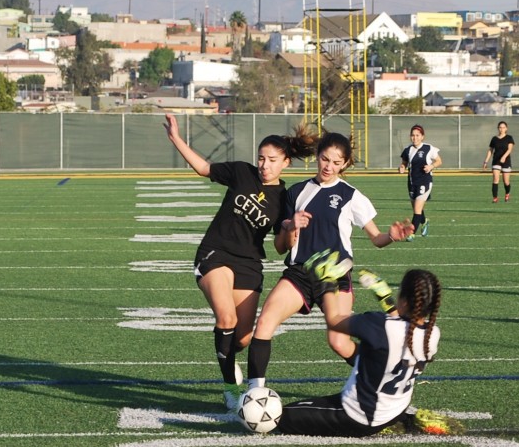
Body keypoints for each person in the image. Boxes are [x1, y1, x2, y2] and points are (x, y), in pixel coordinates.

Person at [246, 127, 415, 390]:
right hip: (299, 272)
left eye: (337, 162)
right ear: (317, 156)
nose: (329, 166)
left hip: (334, 275)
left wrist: (391, 235)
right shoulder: (296, 192)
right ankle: (255, 393)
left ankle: (384, 377)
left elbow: (376, 239)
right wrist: (291, 227)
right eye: (325, 159)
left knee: (339, 343)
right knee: (264, 323)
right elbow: (281, 246)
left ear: (345, 163)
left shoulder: (351, 195)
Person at [163, 112, 298, 409]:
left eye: (272, 160)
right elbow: (203, 168)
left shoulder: (285, 199)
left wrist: (290, 230)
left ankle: (229, 358)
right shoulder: (241, 172)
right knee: (226, 319)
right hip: (216, 253)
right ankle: (229, 387)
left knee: (243, 338)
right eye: (262, 158)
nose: (265, 165)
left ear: (285, 162)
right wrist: (176, 138)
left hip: (249, 263)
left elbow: (279, 247)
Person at [275, 266, 461, 437]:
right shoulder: (433, 333)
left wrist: (327, 284)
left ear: (403, 299)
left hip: (358, 417)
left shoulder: (380, 325)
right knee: (369, 356)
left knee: (277, 417)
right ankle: (404, 420)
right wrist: (385, 299)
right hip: (394, 410)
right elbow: (401, 330)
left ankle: (395, 423)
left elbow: (334, 320)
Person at [399, 125, 442, 237]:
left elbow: (439, 161)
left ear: (422, 136)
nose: (415, 138)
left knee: (417, 209)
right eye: (413, 135)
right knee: (416, 208)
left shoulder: (428, 148)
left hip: (425, 181)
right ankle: (424, 221)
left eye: (417, 135)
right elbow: (404, 162)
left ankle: (411, 233)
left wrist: (431, 166)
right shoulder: (408, 150)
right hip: (412, 182)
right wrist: (402, 167)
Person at [483, 121, 515, 203]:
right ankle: (495, 198)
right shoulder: (494, 139)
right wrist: (486, 161)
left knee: (506, 181)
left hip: (506, 161)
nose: (502, 129)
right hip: (496, 161)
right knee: (495, 180)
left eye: (503, 127)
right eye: (500, 127)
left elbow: (510, 149)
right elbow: (490, 150)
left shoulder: (509, 138)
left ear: (506, 128)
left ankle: (507, 193)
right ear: (498, 128)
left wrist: (504, 157)